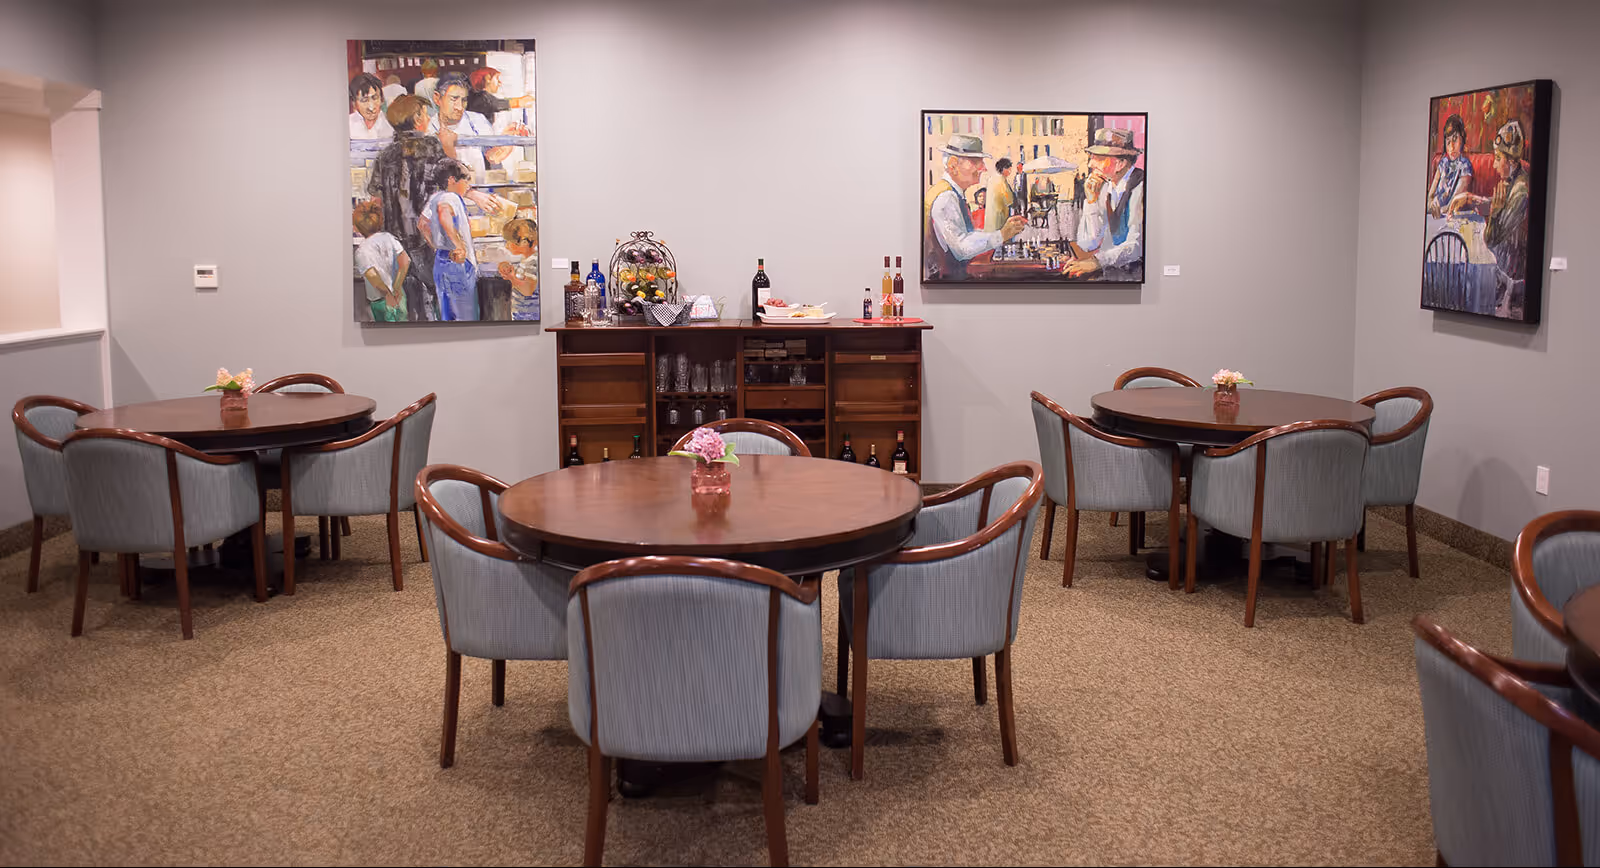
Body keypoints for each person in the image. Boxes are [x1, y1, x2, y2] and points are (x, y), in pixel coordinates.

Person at [366, 94, 445, 320]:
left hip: (396, 241)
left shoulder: (385, 155)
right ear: (417, 117)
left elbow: (376, 198)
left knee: (407, 302)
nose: (429, 118)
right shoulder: (432, 145)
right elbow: (447, 182)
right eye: (425, 112)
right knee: (433, 296)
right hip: (425, 238)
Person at [1450, 120, 1530, 315]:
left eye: (1497, 158)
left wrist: (1493, 214)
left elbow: (1492, 239)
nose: (1493, 165)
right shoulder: (1512, 180)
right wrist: (1470, 197)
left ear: (1511, 161)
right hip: (1501, 265)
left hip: (1507, 277)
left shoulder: (1521, 192)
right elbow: (1495, 202)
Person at [922, 134, 1027, 280]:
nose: (983, 168)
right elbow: (962, 248)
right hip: (948, 284)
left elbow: (962, 234)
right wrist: (1001, 235)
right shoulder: (946, 198)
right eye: (976, 162)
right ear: (953, 164)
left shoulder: (949, 193)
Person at [1067, 128, 1145, 279]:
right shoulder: (1104, 186)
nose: (1090, 164)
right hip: (1109, 274)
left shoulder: (1140, 187)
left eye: (1098, 158)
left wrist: (1096, 261)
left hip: (1133, 277)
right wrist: (1091, 201)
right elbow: (1088, 243)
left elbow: (1136, 246)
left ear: (1120, 163)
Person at [419, 159, 480, 321]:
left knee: (447, 317)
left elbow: (423, 224)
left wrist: (435, 245)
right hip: (458, 263)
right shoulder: (451, 197)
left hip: (441, 260)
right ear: (452, 180)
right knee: (466, 317)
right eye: (465, 179)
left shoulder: (435, 197)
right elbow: (444, 212)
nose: (468, 184)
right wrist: (459, 246)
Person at [429, 71, 502, 178]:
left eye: (464, 100)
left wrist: (502, 150)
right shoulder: (429, 128)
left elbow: (494, 160)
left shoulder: (478, 120)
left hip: (480, 190)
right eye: (454, 99)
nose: (459, 107)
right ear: (437, 98)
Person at [353, 199, 409, 322]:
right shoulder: (389, 237)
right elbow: (405, 261)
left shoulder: (362, 251)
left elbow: (374, 277)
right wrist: (397, 288)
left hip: (381, 300)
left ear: (356, 227)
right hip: (400, 296)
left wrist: (389, 294)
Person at [1426, 114, 1472, 218]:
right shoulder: (1443, 163)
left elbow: (1453, 203)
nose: (1451, 146)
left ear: (1462, 139)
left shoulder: (1465, 165)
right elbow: (1430, 196)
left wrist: (1439, 212)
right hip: (1434, 213)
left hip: (1449, 216)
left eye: (1455, 139)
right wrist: (1431, 206)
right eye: (1448, 141)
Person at [497, 218, 539, 321]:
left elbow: (528, 290)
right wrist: (512, 271)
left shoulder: (533, 262)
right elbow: (524, 278)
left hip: (528, 314)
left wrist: (512, 278)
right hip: (522, 312)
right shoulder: (526, 260)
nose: (507, 246)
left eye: (510, 242)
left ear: (525, 242)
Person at [466, 67, 533, 128]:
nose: (500, 83)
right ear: (488, 78)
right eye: (497, 78)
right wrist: (520, 101)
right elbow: (498, 104)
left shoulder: (480, 98)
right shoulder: (482, 99)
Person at [348, 72, 393, 140]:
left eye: (375, 98)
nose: (371, 107)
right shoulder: (348, 125)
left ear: (382, 99)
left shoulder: (391, 125)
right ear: (354, 103)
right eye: (364, 100)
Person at [983, 157, 1016, 234]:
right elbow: (1010, 200)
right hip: (999, 217)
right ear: (1004, 169)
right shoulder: (1002, 180)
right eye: (1009, 169)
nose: (1010, 172)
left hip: (990, 218)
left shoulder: (991, 179)